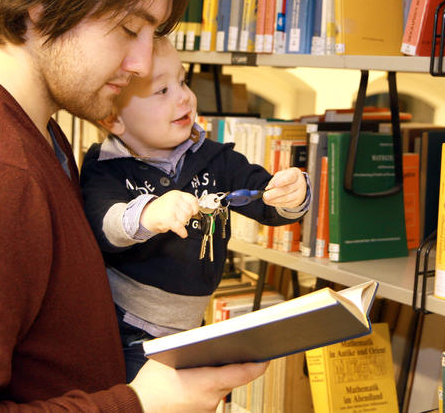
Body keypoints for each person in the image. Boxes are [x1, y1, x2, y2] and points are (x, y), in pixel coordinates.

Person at [0, 0, 267, 411]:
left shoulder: (35, 127)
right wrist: (140, 404)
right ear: (42, 2)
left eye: (152, 35)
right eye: (130, 29)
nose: (140, 62)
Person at [80, 36, 310, 379]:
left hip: (191, 331)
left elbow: (265, 201)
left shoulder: (215, 159)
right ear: (113, 119)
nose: (185, 96)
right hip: (125, 330)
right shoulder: (106, 166)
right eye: (163, 91)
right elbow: (104, 225)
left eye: (183, 81)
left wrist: (292, 194)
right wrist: (148, 214)